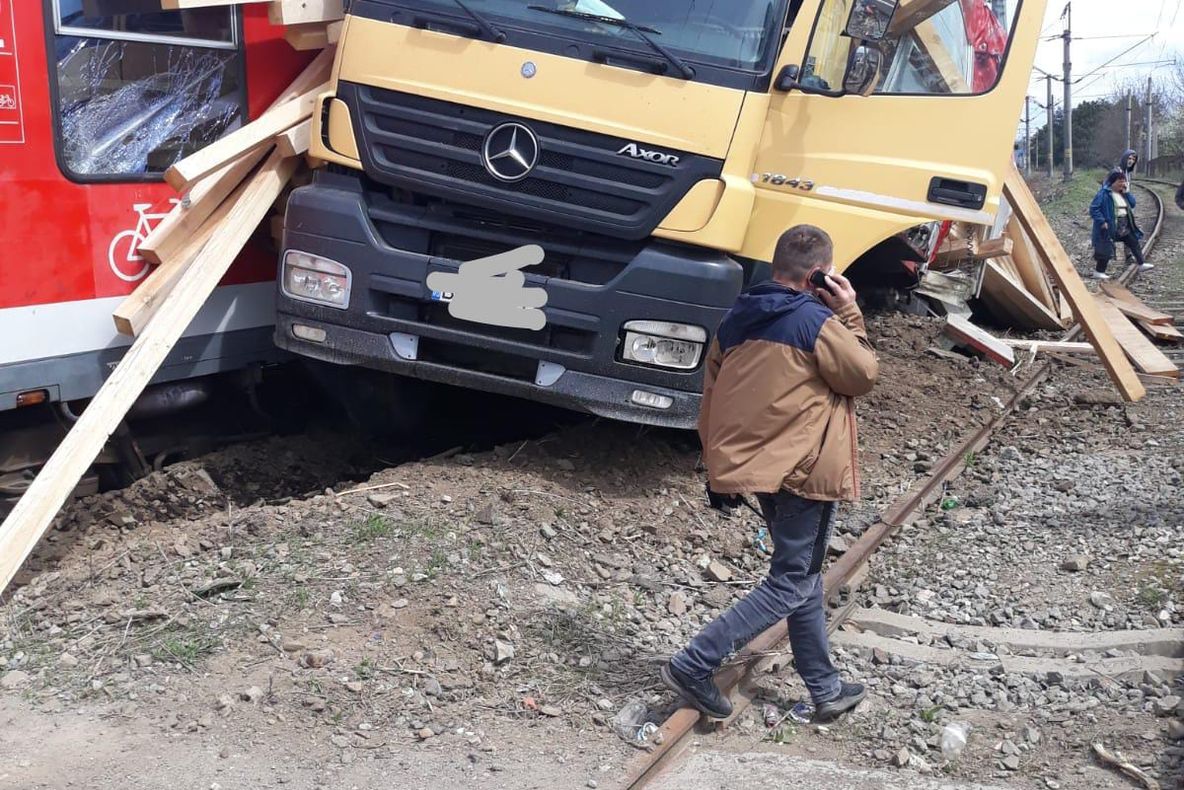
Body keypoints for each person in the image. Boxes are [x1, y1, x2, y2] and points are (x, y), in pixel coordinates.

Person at [661, 224, 878, 724]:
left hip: (760, 470)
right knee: (790, 581)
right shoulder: (817, 321)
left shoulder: (736, 319)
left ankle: (824, 688)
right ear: (819, 273)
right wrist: (847, 310)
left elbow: (710, 399)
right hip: (804, 470)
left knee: (801, 577)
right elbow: (863, 372)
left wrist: (717, 469)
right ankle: (695, 663)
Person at [1089, 169, 1152, 280]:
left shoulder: (1123, 193)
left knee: (1133, 241)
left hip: (1124, 224)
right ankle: (1099, 272)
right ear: (1112, 182)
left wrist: (1127, 192)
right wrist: (1102, 221)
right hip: (1110, 224)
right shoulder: (1104, 194)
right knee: (1105, 248)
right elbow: (1094, 208)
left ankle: (1141, 264)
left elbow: (1132, 204)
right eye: (1120, 181)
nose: (1122, 183)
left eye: (1124, 181)